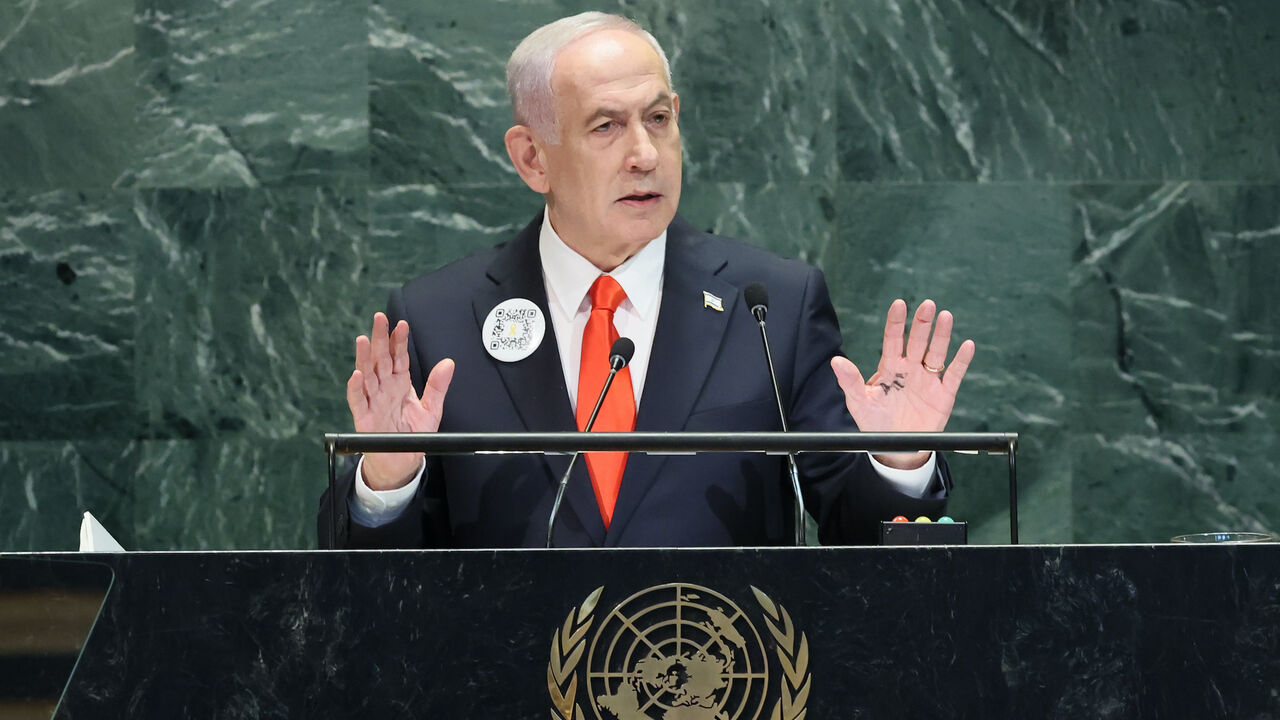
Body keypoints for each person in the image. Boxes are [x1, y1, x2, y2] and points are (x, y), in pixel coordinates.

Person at [317, 12, 975, 549]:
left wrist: (898, 461)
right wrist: (386, 482)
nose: (645, 154)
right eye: (607, 126)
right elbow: (373, 598)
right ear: (531, 158)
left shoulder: (771, 305)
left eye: (658, 119)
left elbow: (859, 539)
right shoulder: (442, 318)